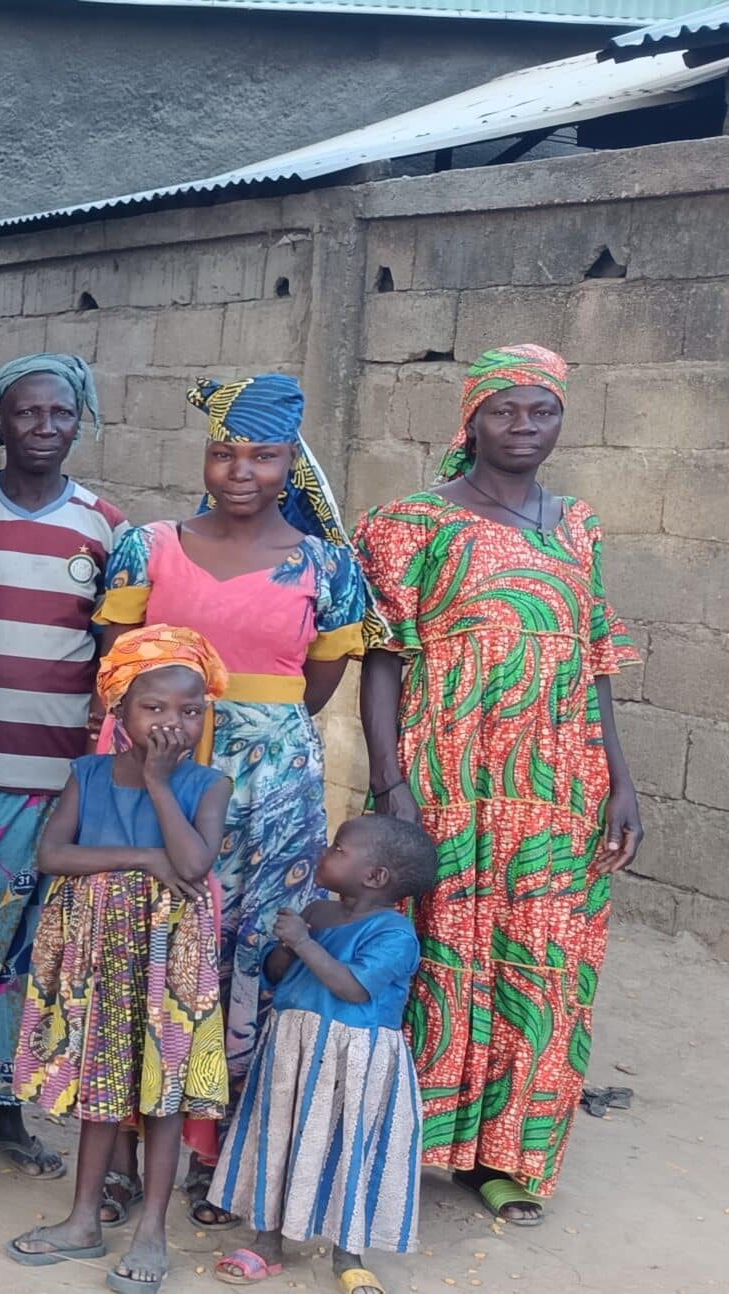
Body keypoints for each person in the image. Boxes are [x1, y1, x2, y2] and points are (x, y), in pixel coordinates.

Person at [354, 344, 641, 1225]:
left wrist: (622, 783)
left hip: (561, 785)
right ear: (470, 419)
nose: (525, 428)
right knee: (438, 949)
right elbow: (381, 659)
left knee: (542, 963)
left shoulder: (578, 525)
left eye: (542, 412)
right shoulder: (411, 521)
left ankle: (506, 1155)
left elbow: (592, 663)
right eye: (506, 411)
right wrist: (390, 781)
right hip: (446, 777)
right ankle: (410, 1136)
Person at [95, 373, 369, 1211]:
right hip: (156, 773)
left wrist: (248, 732)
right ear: (203, 460)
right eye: (224, 453)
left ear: (293, 463)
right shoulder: (149, 545)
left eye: (263, 454)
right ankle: (123, 1154)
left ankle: (221, 1145)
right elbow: (117, 663)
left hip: (271, 790)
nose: (241, 470)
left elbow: (317, 682)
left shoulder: (326, 564)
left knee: (248, 947)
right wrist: (168, 746)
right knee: (146, 939)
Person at [0, 351, 124, 1181]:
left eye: (61, 414)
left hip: (64, 782)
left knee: (35, 957)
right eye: (27, 413)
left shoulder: (105, 527)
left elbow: (110, 659)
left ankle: (9, 1112)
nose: (45, 428)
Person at [5, 627, 233, 1294]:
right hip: (98, 955)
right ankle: (82, 1221)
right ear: (118, 713)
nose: (172, 723)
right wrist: (142, 857)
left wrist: (161, 784)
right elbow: (53, 855)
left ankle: (152, 1233)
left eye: (190, 711)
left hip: (169, 961)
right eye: (154, 708)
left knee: (162, 1096)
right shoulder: (89, 774)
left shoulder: (207, 785)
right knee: (101, 1088)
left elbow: (193, 863)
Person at [207, 815, 440, 1294]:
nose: (325, 853)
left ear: (374, 877)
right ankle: (267, 1242)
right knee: (280, 1140)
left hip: (354, 1059)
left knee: (347, 1147)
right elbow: (275, 973)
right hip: (293, 1048)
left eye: (338, 849)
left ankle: (348, 1253)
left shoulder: (394, 934)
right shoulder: (316, 912)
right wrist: (288, 948)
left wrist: (303, 942)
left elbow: (353, 988)